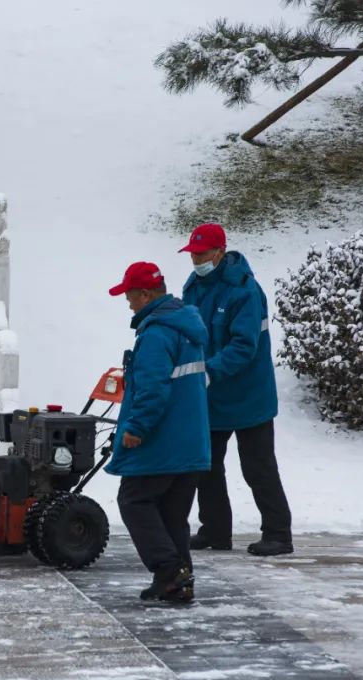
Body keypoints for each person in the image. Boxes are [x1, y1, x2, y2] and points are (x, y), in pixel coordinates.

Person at [179, 223, 294, 556]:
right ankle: (215, 531)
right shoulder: (195, 285)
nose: (195, 260)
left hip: (248, 397)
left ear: (219, 252)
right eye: (192, 254)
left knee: (257, 466)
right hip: (211, 396)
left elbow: (245, 346)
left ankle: (278, 534)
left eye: (201, 253)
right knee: (206, 466)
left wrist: (208, 372)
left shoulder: (245, 291)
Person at [104, 261, 211, 603]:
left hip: (164, 441)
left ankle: (168, 570)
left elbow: (152, 389)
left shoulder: (156, 333)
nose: (128, 303)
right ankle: (180, 582)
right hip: (192, 441)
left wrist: (136, 427)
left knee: (133, 499)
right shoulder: (186, 326)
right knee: (172, 514)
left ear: (146, 294)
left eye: (130, 296)